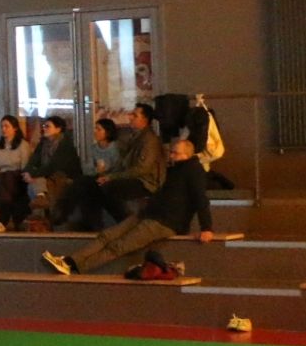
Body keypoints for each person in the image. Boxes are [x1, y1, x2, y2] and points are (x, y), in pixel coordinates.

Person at [44, 139, 214, 275]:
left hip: (165, 221)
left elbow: (200, 198)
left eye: (175, 153)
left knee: (119, 246)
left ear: (187, 154)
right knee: (106, 236)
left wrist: (206, 227)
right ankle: (69, 261)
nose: (171, 156)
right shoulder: (176, 170)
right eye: (171, 152)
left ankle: (75, 266)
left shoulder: (193, 171)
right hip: (150, 214)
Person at [98, 102, 164, 223]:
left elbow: (143, 169)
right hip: (135, 176)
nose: (130, 117)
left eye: (135, 115)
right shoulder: (136, 136)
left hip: (146, 182)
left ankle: (127, 222)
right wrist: (108, 175)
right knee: (91, 185)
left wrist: (112, 177)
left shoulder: (149, 140)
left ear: (145, 119)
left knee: (110, 188)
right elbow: (124, 162)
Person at [26, 114, 83, 226]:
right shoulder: (43, 143)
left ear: (58, 129)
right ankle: (40, 202)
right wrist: (27, 172)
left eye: (48, 126)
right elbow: (32, 161)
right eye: (44, 126)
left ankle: (40, 213)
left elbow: (53, 167)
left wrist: (32, 174)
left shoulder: (65, 145)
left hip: (65, 177)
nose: (44, 128)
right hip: (48, 175)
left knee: (38, 182)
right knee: (35, 181)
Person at [0, 116, 32, 232]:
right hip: (1, 179)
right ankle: (7, 221)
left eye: (7, 126)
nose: (4, 129)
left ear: (15, 128)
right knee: (4, 178)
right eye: (2, 126)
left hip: (18, 177)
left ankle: (2, 221)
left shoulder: (23, 145)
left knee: (8, 177)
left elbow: (25, 166)